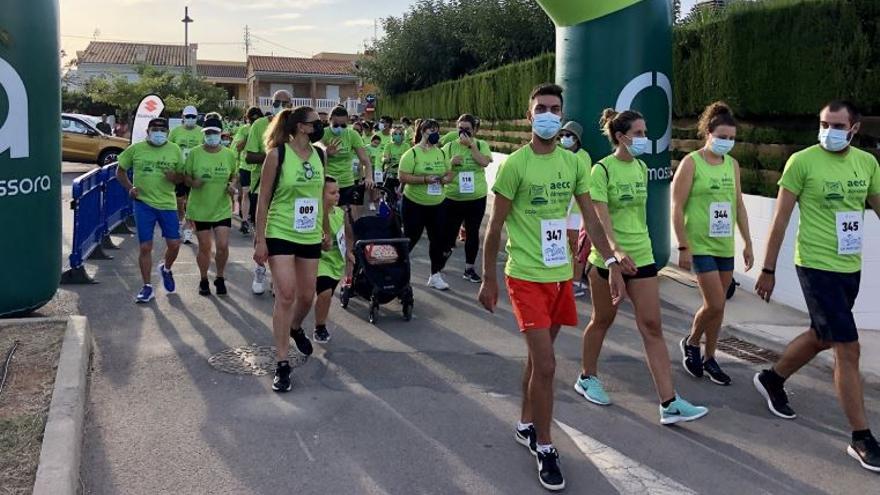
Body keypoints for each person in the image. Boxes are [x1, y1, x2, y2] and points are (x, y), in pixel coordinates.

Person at [479, 83, 626, 492]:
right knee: (546, 365)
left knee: (535, 360)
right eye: (541, 108)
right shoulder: (515, 166)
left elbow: (592, 220)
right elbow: (495, 228)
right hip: (524, 276)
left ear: (562, 115)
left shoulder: (575, 163)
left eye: (554, 108)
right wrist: (489, 277)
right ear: (530, 116)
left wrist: (610, 261)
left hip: (560, 276)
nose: (548, 114)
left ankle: (526, 424)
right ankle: (545, 445)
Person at [754, 101, 880, 471]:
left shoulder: (867, 163)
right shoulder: (802, 162)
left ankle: (771, 378)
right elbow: (779, 220)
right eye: (824, 123)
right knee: (848, 347)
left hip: (849, 267)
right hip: (814, 266)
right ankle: (861, 438)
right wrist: (767, 268)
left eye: (838, 125)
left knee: (823, 335)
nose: (829, 130)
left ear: (854, 128)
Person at [575, 108, 709, 425]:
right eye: (639, 133)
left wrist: (636, 250)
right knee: (602, 320)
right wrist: (616, 254)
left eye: (645, 133)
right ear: (621, 137)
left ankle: (669, 402)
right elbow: (599, 219)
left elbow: (636, 216)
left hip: (644, 257)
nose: (644, 139)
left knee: (652, 326)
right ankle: (587, 377)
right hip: (609, 259)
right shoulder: (602, 171)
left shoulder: (640, 168)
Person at [672, 102, 753, 385]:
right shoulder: (691, 162)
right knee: (715, 302)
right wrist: (683, 245)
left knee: (719, 308)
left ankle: (710, 357)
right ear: (708, 132)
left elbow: (739, 205)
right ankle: (692, 341)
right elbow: (677, 206)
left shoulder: (732, 165)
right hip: (700, 245)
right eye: (722, 136)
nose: (727, 143)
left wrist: (748, 243)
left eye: (731, 138)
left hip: (724, 245)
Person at [253, 106, 330, 393]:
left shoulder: (321, 154)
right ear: (300, 127)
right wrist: (260, 239)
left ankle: (296, 327)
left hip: (309, 233)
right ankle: (282, 362)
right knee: (286, 294)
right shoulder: (277, 155)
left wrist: (324, 228)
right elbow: (263, 200)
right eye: (315, 123)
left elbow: (321, 195)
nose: (319, 127)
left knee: (307, 295)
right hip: (281, 231)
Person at [115, 118, 184, 303]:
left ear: (168, 132)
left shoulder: (175, 150)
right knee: (145, 246)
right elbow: (120, 170)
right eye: (155, 129)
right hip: (143, 203)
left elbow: (182, 177)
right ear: (148, 131)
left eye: (162, 130)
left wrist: (175, 177)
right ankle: (147, 287)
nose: (159, 133)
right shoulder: (136, 149)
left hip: (167, 203)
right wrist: (130, 187)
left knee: (174, 244)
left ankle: (166, 268)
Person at [182, 117, 239, 296]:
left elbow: (234, 175)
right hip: (200, 208)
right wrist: (193, 182)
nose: (211, 136)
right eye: (208, 133)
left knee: (222, 245)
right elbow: (185, 177)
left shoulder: (229, 154)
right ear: (203, 134)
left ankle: (220, 277)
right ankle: (203, 279)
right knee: (205, 247)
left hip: (221, 206)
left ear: (220, 134)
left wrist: (232, 186)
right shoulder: (194, 153)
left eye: (214, 133)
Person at [398, 119, 453, 290]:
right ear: (422, 132)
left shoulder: (442, 153)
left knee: (437, 240)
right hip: (414, 204)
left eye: (436, 130)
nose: (434, 133)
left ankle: (435, 275)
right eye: (430, 130)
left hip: (437, 204)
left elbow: (450, 172)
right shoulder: (412, 154)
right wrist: (424, 179)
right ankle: (398, 272)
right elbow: (403, 177)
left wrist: (445, 179)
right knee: (410, 238)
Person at [437, 114, 492, 283]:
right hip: (453, 197)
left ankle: (469, 268)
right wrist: (450, 163)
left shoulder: (481, 145)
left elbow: (484, 162)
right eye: (460, 129)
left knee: (472, 232)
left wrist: (472, 147)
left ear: (475, 130)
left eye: (467, 129)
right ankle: (441, 260)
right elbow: (440, 172)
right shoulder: (449, 147)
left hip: (476, 197)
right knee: (449, 235)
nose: (463, 132)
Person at [247, 91, 292, 295]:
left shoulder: (294, 125)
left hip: (287, 190)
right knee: (262, 230)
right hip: (262, 185)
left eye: (285, 103)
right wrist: (274, 156)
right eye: (276, 102)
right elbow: (249, 156)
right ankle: (259, 268)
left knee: (280, 234)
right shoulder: (259, 125)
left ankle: (277, 277)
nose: (280, 105)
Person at [311, 176, 354, 343]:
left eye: (338, 192)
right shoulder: (313, 213)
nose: (337, 195)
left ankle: (320, 322)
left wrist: (349, 253)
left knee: (327, 297)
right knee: (325, 293)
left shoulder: (340, 213)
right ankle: (320, 327)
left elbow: (345, 236)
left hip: (336, 261)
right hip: (319, 259)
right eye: (332, 193)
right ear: (320, 194)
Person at [321, 106, 375, 217]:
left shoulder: (352, 135)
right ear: (329, 120)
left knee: (348, 219)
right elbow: (313, 157)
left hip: (347, 182)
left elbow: (365, 160)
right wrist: (325, 152)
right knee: (328, 217)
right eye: (335, 125)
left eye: (343, 125)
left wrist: (368, 177)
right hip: (327, 183)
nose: (339, 128)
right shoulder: (323, 134)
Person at [558, 121, 592, 296]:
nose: (565, 138)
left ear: (577, 139)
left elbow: (578, 186)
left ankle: (576, 282)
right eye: (562, 135)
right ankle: (565, 280)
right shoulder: (559, 154)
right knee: (562, 247)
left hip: (576, 212)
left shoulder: (583, 157)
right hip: (561, 209)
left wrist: (568, 210)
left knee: (575, 247)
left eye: (569, 135)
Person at [169, 105, 203, 245]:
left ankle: (188, 231)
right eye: (187, 117)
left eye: (193, 117)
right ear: (183, 117)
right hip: (179, 172)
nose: (190, 119)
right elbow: (169, 149)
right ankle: (179, 222)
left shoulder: (201, 131)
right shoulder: (175, 131)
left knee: (191, 202)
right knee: (179, 200)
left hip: (194, 173)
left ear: (197, 118)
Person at [234, 107, 263, 235]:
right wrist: (250, 136)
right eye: (251, 120)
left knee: (258, 195)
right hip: (245, 166)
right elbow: (238, 147)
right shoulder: (244, 129)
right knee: (245, 193)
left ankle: (258, 220)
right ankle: (245, 221)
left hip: (259, 167)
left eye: (257, 119)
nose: (254, 122)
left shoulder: (265, 128)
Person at [383, 125, 410, 193]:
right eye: (395, 134)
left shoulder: (406, 146)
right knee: (389, 193)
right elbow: (385, 157)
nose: (397, 135)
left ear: (403, 136)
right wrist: (386, 159)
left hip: (402, 172)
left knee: (402, 192)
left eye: (400, 134)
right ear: (392, 136)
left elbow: (408, 159)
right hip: (391, 172)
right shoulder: (388, 146)